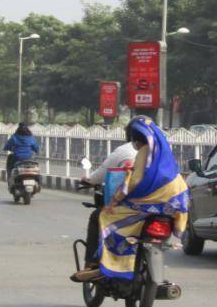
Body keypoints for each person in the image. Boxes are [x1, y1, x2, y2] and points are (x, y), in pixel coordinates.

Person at [72, 116, 189, 282]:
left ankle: (103, 265)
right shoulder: (163, 151)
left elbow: (134, 182)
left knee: (106, 216)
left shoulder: (143, 152)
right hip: (176, 201)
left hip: (150, 204)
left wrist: (115, 200)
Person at [78, 140, 138, 269]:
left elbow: (100, 176)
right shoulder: (161, 152)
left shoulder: (125, 151)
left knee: (97, 216)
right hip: (159, 210)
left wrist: (89, 180)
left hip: (133, 208)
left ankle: (91, 263)